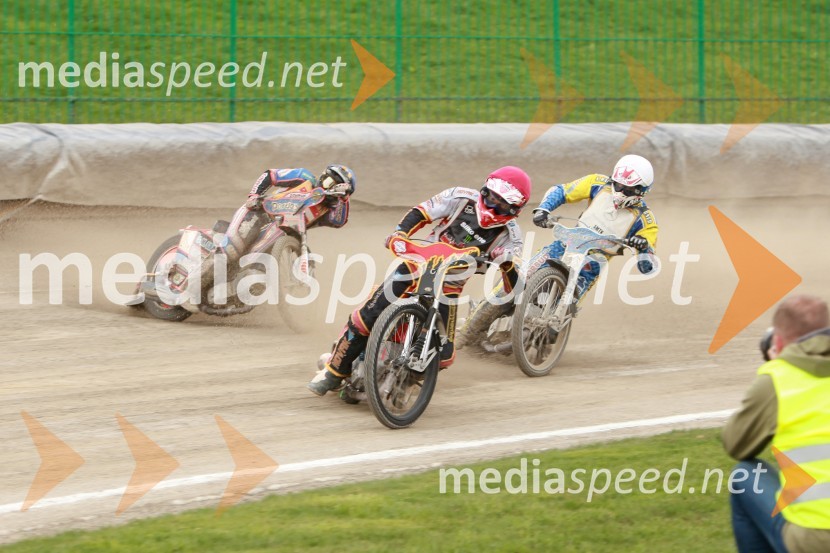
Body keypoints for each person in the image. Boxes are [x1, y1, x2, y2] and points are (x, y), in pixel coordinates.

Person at [307, 166, 532, 396]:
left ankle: (405, 381)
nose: (494, 206)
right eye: (492, 198)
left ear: (515, 210)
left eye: (502, 204)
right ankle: (332, 373)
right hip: (416, 266)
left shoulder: (511, 236)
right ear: (484, 190)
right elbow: (421, 212)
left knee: (444, 354)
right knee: (366, 315)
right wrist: (400, 234)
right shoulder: (459, 197)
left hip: (449, 288)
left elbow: (514, 286)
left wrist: (507, 262)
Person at [458, 154, 658, 347]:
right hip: (565, 243)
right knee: (516, 280)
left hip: (594, 260)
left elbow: (647, 267)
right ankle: (468, 331)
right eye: (618, 185)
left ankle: (545, 333)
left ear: (642, 190)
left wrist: (643, 247)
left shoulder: (645, 220)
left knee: (568, 305)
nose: (621, 191)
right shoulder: (596, 183)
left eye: (628, 189)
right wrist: (543, 210)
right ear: (613, 179)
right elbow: (562, 191)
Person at [722, 295, 830, 553]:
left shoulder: (778, 378)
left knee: (745, 475)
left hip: (816, 540)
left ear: (778, 341)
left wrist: (776, 364)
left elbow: (736, 445)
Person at [225, 165, 356, 257]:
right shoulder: (304, 177)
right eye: (330, 183)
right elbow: (270, 175)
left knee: (306, 258)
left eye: (338, 190)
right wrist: (254, 195)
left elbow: (339, 221)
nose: (332, 191)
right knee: (232, 250)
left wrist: (344, 199)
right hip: (260, 213)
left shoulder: (328, 211)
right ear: (323, 176)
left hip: (285, 235)